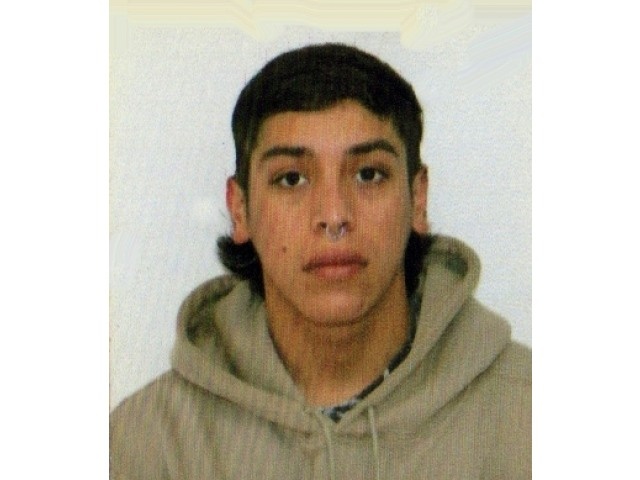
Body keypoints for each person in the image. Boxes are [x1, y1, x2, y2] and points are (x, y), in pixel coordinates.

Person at [110, 43, 531, 479]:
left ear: (417, 198)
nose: (334, 216)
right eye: (292, 179)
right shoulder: (143, 445)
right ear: (240, 210)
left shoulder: (528, 416)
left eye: (368, 174)